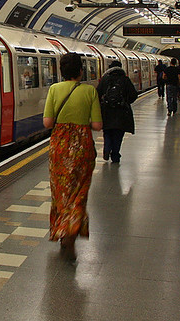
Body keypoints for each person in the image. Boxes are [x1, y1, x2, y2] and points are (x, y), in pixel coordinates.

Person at [43, 52, 103, 261]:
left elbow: (48, 123)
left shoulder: (54, 89)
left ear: (61, 71)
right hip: (82, 148)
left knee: (60, 193)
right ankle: (72, 231)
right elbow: (97, 125)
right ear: (80, 71)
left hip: (59, 147)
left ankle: (61, 232)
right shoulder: (89, 91)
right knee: (79, 192)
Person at [96, 60, 138, 163]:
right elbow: (134, 95)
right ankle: (115, 155)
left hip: (107, 112)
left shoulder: (105, 79)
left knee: (107, 132)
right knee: (118, 135)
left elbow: (97, 94)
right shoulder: (125, 79)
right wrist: (126, 102)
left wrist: (103, 103)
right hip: (121, 112)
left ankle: (106, 148)